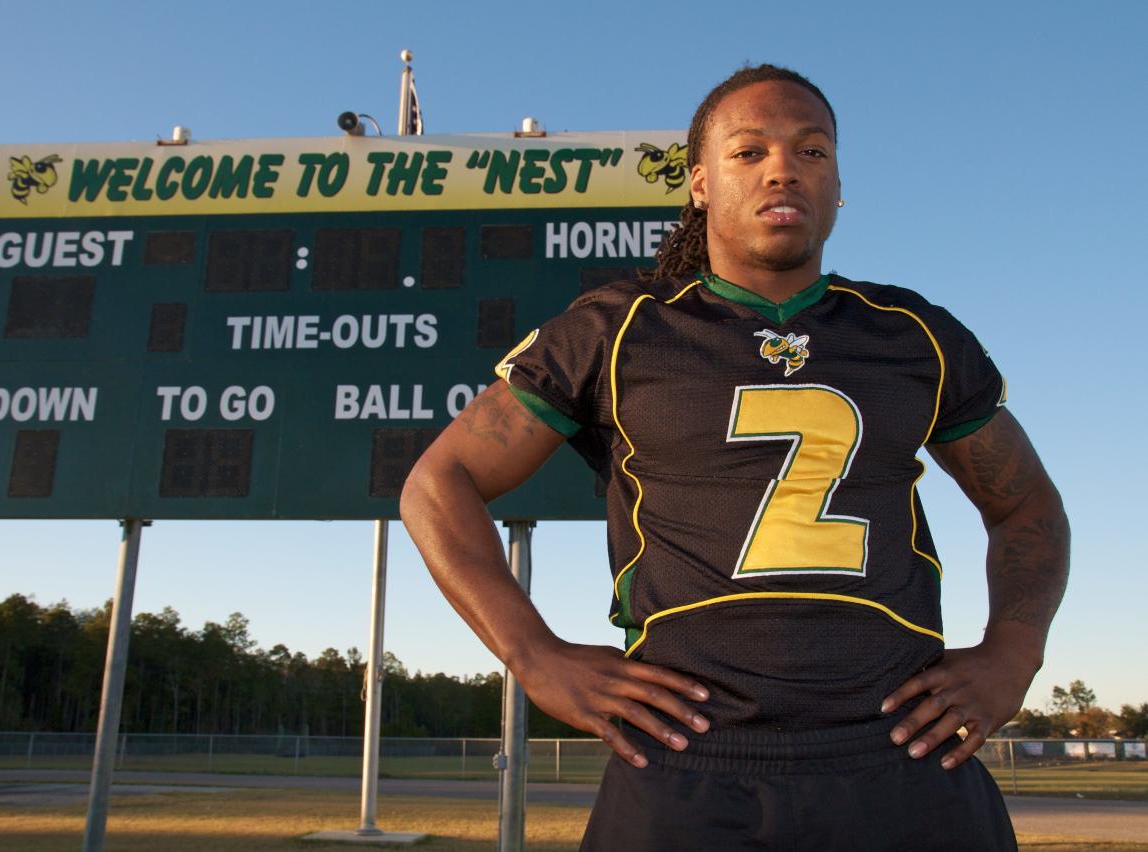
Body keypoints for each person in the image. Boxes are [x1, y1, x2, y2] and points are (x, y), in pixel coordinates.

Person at [400, 64, 1068, 850]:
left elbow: (1025, 503)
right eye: (749, 152)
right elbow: (438, 482)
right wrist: (534, 654)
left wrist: (1014, 650)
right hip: (687, 764)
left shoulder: (913, 333)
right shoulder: (618, 331)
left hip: (903, 759)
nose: (784, 167)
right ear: (700, 184)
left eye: (813, 151)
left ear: (839, 185)